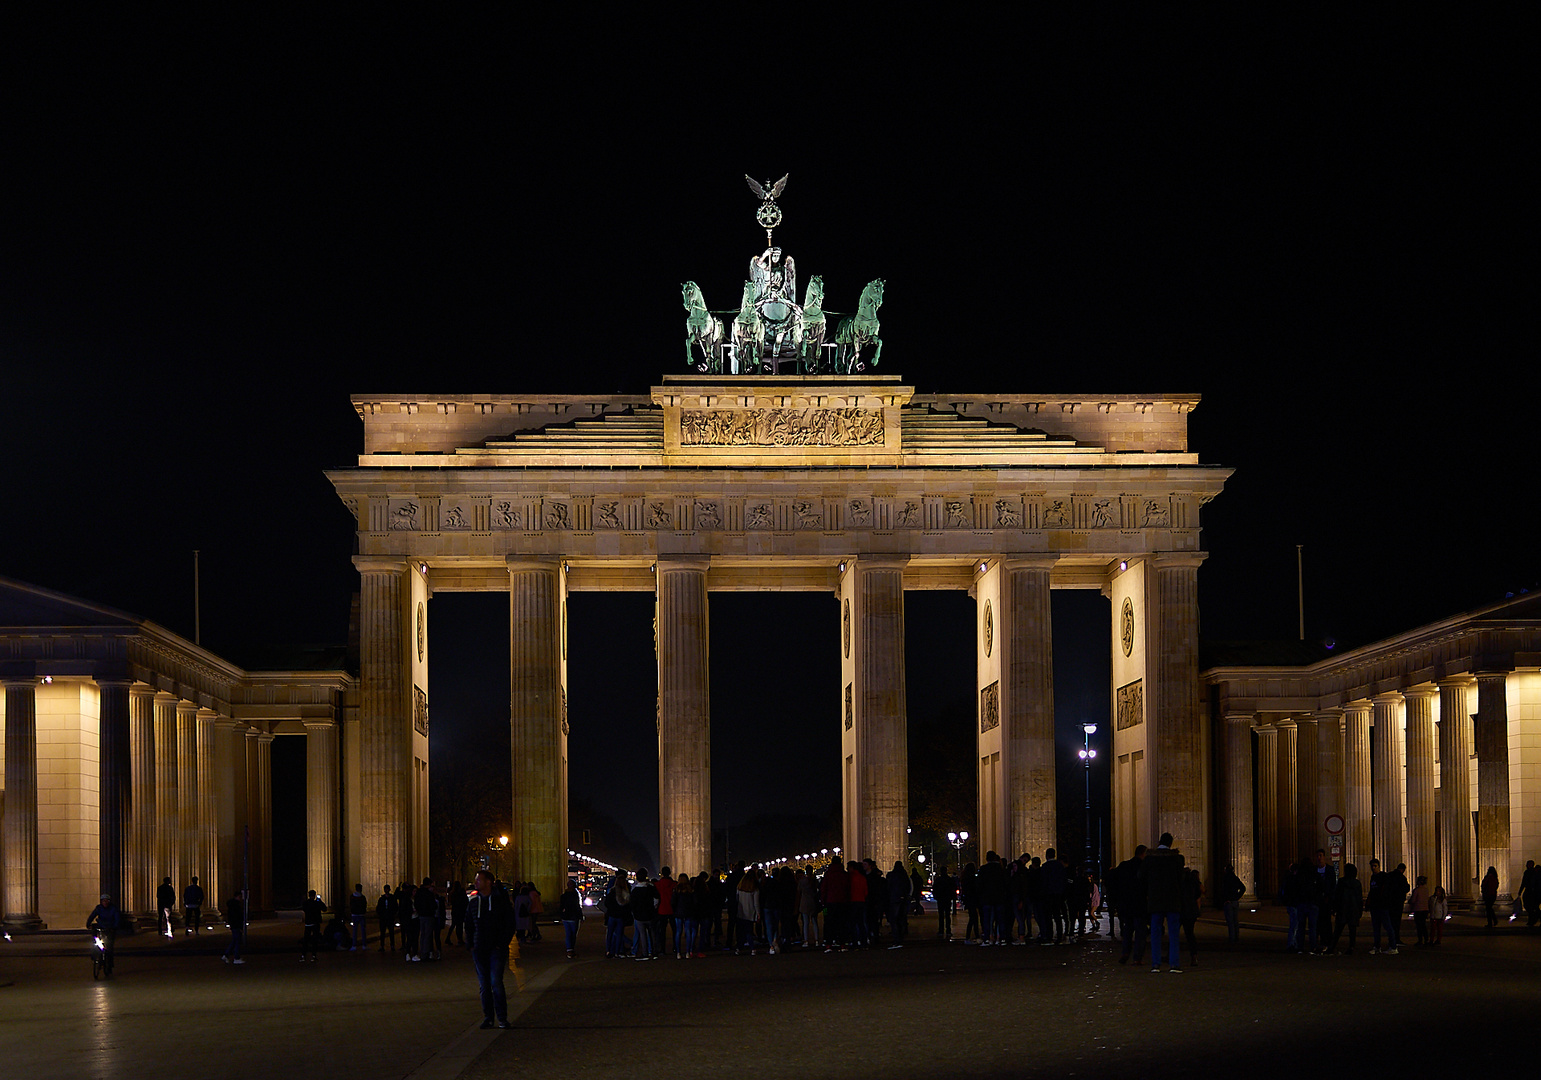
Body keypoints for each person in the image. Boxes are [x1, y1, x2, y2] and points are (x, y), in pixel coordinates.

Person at [467, 870, 513, 1029]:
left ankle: (501, 1018)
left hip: (496, 948)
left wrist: (502, 943)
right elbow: (468, 924)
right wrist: (471, 944)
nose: (476, 883)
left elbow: (509, 923)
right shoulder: (473, 902)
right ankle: (488, 1017)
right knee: (484, 985)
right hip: (479, 948)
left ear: (489, 882)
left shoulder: (500, 901)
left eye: (479, 880)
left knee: (496, 982)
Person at [1141, 832, 1185, 973]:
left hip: (1155, 899)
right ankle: (1174, 964)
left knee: (1155, 932)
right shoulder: (1177, 859)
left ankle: (1156, 964)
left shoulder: (1149, 859)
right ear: (1171, 843)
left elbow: (1141, 877)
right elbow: (1181, 879)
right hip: (1172, 899)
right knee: (1173, 933)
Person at [1115, 846, 1148, 965]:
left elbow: (1115, 880)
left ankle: (1125, 952)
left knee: (1128, 930)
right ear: (1144, 854)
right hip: (1140, 903)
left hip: (1126, 903)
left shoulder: (1124, 866)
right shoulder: (1144, 867)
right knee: (1140, 932)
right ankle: (1137, 958)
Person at [86, 893, 121, 976]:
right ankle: (95, 955)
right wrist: (88, 924)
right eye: (103, 901)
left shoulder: (113, 909)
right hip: (101, 926)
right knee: (95, 940)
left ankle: (109, 965)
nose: (105, 902)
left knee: (109, 947)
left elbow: (117, 918)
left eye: (106, 901)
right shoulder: (99, 908)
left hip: (110, 928)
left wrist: (114, 927)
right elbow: (92, 916)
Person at [1332, 864, 1363, 955]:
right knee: (1352, 931)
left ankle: (1332, 946)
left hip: (1343, 908)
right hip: (1353, 909)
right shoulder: (1357, 883)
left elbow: (1337, 896)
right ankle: (1351, 947)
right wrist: (1360, 910)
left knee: (1338, 930)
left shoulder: (1342, 882)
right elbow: (1359, 898)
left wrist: (1335, 908)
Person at [734, 867, 761, 955]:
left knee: (741, 932)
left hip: (741, 912)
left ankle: (738, 948)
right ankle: (752, 949)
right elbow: (756, 903)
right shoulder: (754, 888)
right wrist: (758, 913)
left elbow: (737, 900)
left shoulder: (739, 887)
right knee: (749, 931)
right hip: (750, 912)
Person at [1179, 867, 1203, 966]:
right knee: (1190, 935)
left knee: (1174, 933)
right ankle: (1194, 956)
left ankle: (1170, 955)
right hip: (1192, 911)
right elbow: (1198, 896)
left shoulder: (1181, 883)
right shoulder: (1194, 883)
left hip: (1182, 910)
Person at [1218, 863, 1246, 943]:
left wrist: (1226, 899)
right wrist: (1237, 897)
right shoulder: (1235, 878)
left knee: (1230, 921)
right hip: (1234, 901)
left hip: (1229, 902)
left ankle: (1232, 938)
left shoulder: (1225, 878)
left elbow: (1224, 891)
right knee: (1235, 920)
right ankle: (1236, 937)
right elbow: (1243, 888)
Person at [886, 861, 911, 948]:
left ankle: (896, 938)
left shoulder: (892, 875)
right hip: (902, 899)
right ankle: (900, 937)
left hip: (894, 899)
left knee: (894, 920)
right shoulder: (904, 875)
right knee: (901, 919)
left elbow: (889, 887)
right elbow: (908, 887)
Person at [558, 878, 583, 959]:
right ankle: (571, 949)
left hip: (566, 917)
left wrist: (561, 915)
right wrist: (580, 916)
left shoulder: (564, 896)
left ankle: (569, 949)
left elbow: (561, 907)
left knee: (568, 934)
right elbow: (577, 906)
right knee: (573, 934)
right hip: (574, 917)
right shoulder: (575, 895)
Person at [415, 877, 439, 960]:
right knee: (428, 934)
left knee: (423, 934)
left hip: (421, 915)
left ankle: (422, 951)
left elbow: (416, 903)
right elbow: (433, 905)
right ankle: (426, 952)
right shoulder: (429, 894)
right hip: (429, 915)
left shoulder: (419, 893)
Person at [222, 890, 246, 964]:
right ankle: (236, 957)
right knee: (237, 941)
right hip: (236, 925)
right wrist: (240, 926)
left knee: (235, 941)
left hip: (234, 925)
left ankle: (226, 955)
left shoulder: (232, 905)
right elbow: (238, 917)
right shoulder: (236, 906)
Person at [301, 889, 326, 961]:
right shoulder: (317, 903)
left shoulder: (306, 903)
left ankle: (303, 955)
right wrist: (320, 901)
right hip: (315, 923)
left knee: (306, 940)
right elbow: (324, 909)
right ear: (315, 896)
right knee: (315, 940)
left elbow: (304, 909)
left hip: (308, 923)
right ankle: (313, 956)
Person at [933, 865, 956, 940]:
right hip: (947, 898)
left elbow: (935, 889)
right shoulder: (949, 879)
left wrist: (936, 896)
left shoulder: (938, 880)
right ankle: (948, 930)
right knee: (947, 915)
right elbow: (953, 888)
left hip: (940, 899)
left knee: (941, 915)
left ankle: (941, 930)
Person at [1409, 875, 1431, 946]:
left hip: (1418, 909)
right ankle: (1426, 939)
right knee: (1423, 925)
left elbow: (1413, 900)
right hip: (1425, 909)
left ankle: (1420, 940)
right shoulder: (1426, 890)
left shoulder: (1417, 890)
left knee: (1419, 926)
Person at [377, 885, 397, 951]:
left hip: (390, 917)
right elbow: (378, 908)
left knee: (391, 932)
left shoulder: (392, 898)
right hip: (383, 918)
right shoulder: (382, 899)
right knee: (383, 932)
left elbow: (395, 907)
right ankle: (382, 945)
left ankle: (392, 945)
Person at [348, 883, 368, 950]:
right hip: (361, 914)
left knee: (355, 930)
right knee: (363, 931)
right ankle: (364, 945)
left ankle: (354, 945)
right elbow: (364, 905)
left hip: (355, 915)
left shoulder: (352, 897)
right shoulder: (362, 897)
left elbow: (351, 905)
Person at [449, 881, 468, 946]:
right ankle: (460, 939)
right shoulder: (461, 892)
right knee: (459, 925)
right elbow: (465, 901)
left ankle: (454, 938)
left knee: (455, 925)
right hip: (461, 910)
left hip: (455, 910)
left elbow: (451, 902)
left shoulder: (452, 893)